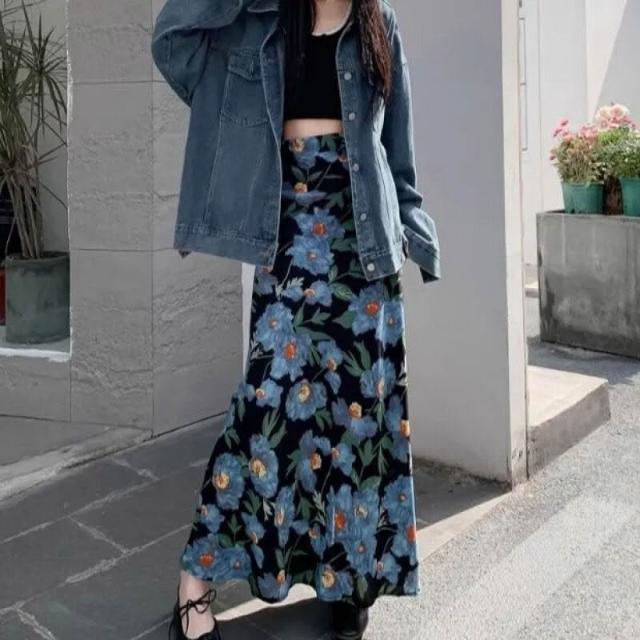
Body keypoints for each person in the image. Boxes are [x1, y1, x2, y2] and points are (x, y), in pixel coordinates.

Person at [151, 0, 441, 638]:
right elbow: (172, 39)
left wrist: (415, 236)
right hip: (289, 239)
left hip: (365, 250)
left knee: (358, 426)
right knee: (265, 414)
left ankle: (348, 578)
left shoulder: (380, 26)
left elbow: (398, 155)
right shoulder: (262, 21)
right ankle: (195, 579)